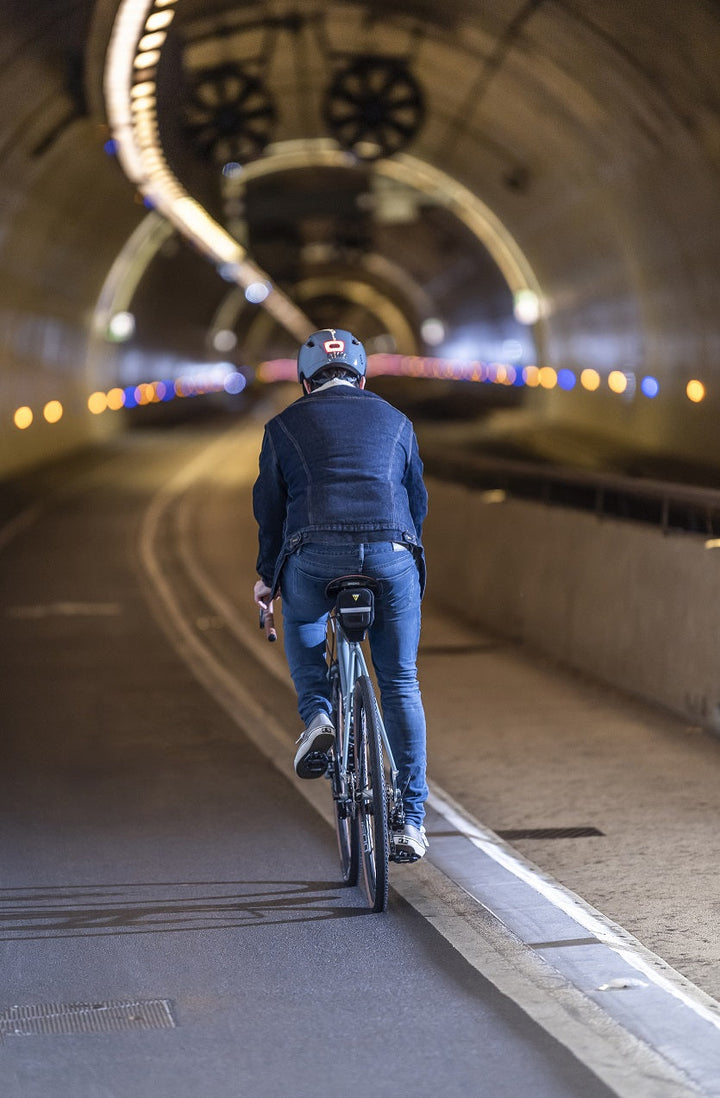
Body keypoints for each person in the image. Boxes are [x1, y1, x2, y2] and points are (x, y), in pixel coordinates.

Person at [252, 328, 429, 861]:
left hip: (315, 554)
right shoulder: (397, 420)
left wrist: (267, 577)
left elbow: (270, 511)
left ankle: (319, 716)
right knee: (400, 680)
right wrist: (402, 554)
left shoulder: (282, 426)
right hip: (391, 552)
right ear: (362, 374)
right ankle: (411, 821)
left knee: (305, 625)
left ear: (306, 381)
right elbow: (416, 500)